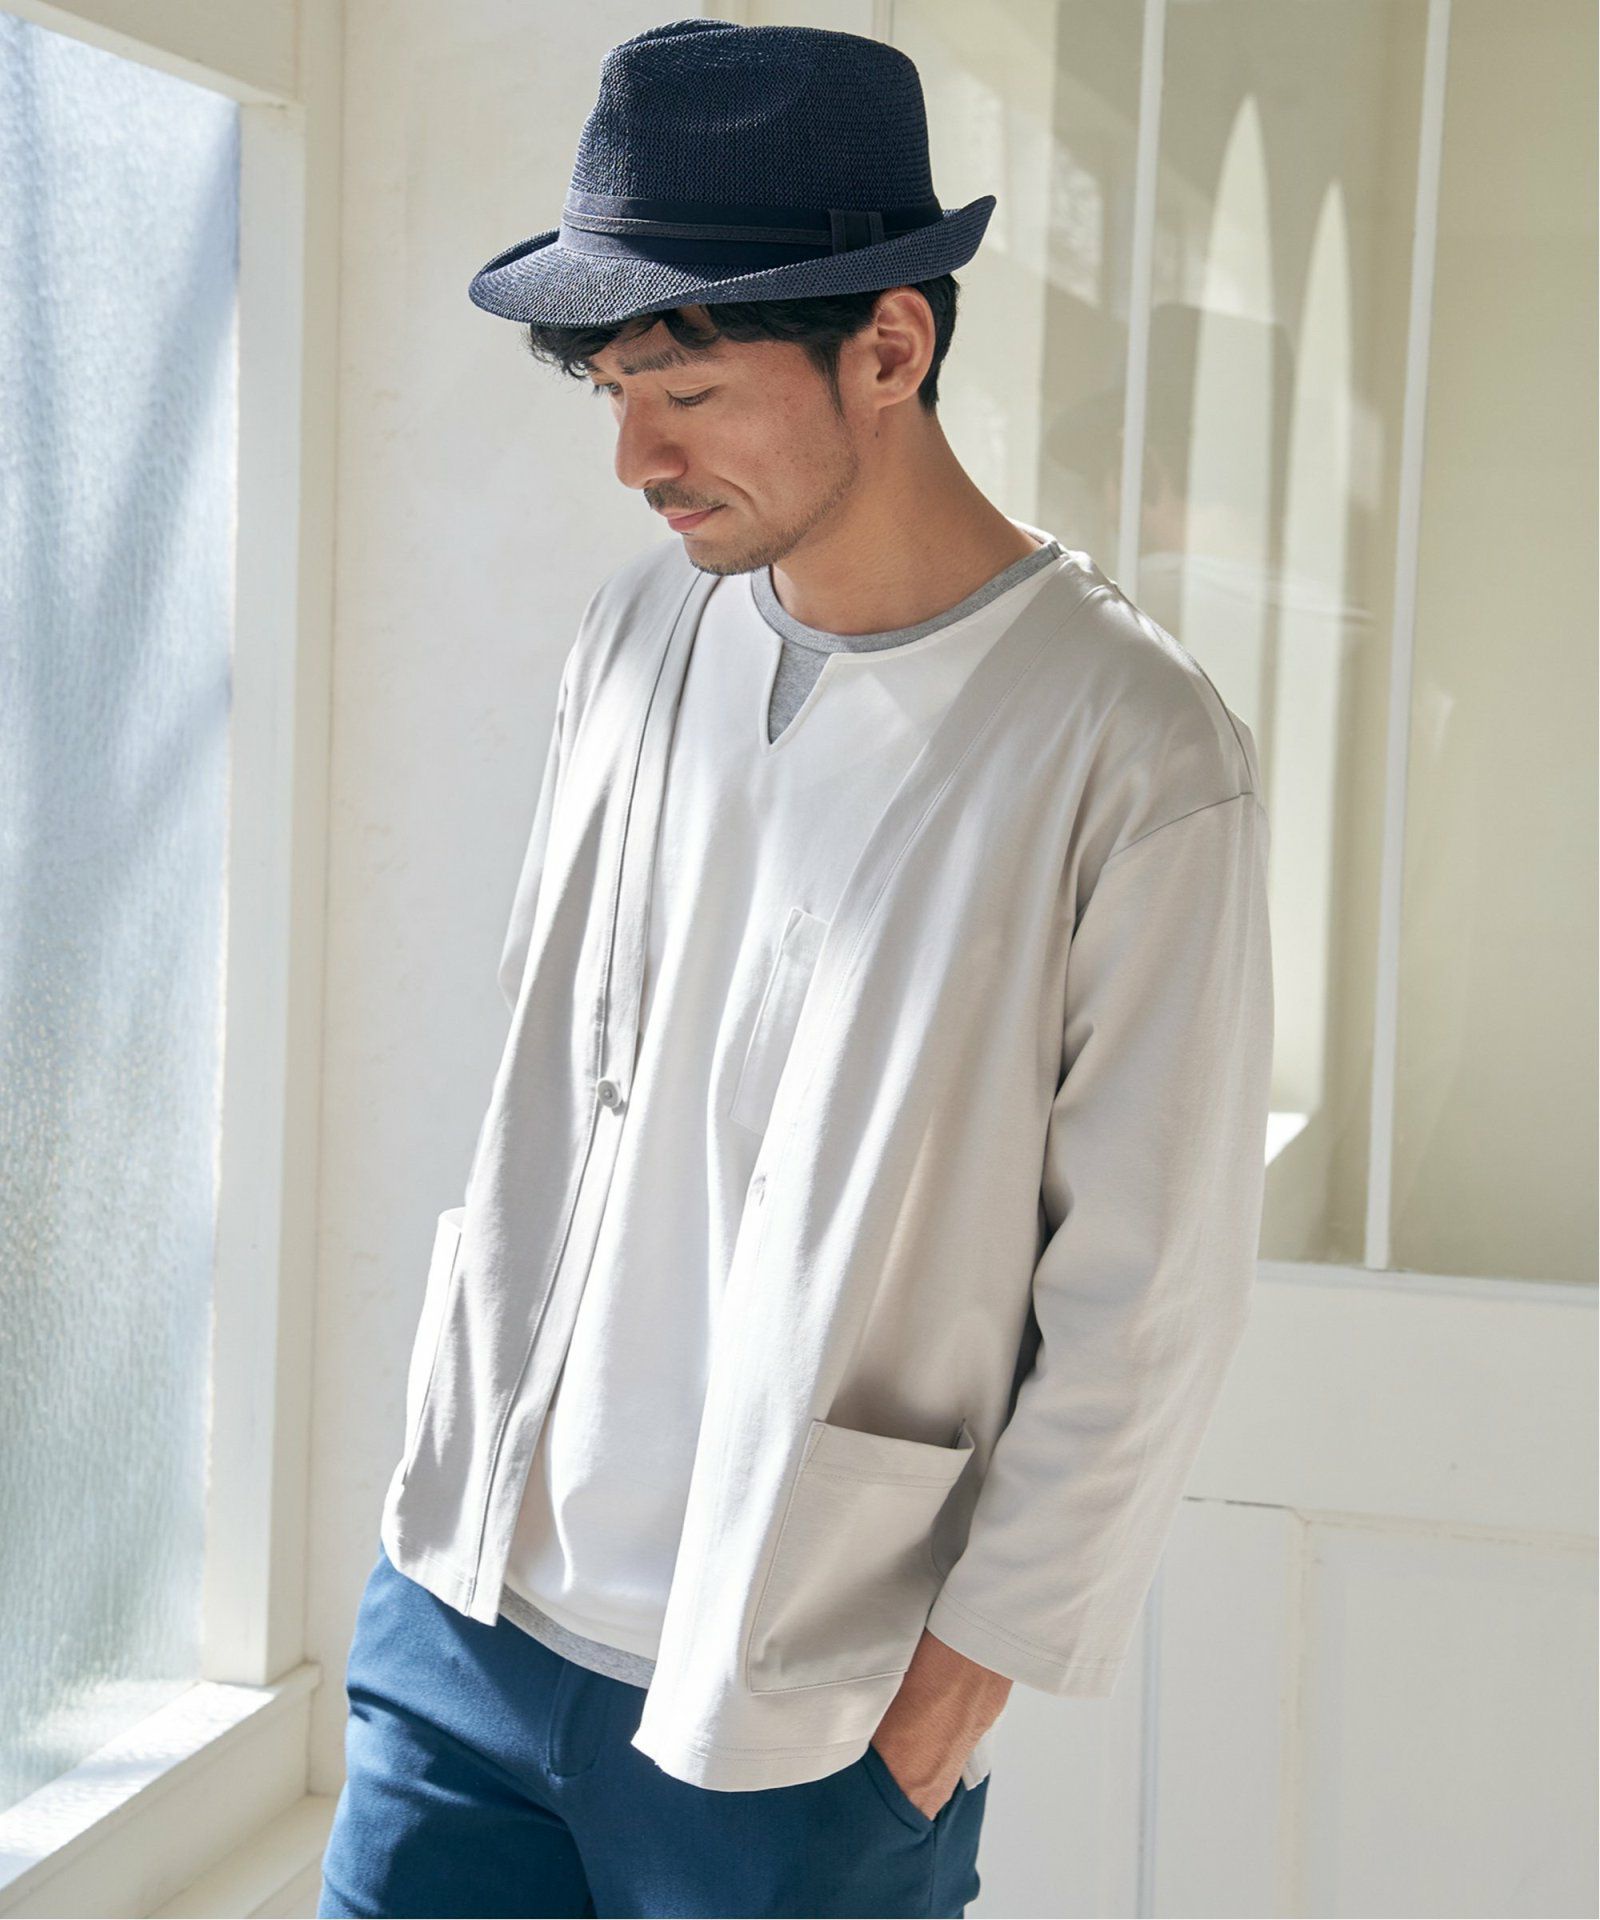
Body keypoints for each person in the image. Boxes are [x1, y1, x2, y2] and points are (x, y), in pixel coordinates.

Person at [317, 20, 1274, 1919]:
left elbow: (1147, 1294)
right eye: (611, 389)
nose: (633, 457)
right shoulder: (637, 632)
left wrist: (943, 1704)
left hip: (797, 1715)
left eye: (684, 387)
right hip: (466, 1619)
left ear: (891, 348)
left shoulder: (1133, 748)